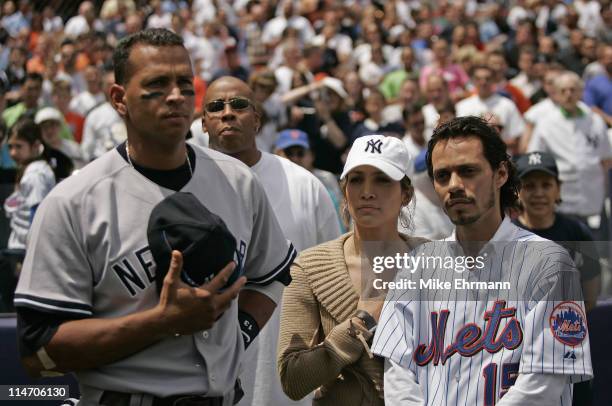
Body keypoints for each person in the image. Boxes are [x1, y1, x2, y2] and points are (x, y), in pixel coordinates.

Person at [14, 28, 296, 405]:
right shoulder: (74, 201)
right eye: (158, 84)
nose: (176, 96)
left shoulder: (237, 181)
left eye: (184, 82)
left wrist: (237, 334)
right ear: (119, 98)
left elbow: (274, 274)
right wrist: (162, 323)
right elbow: (38, 354)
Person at [372, 116, 593, 405]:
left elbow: (544, 383)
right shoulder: (416, 266)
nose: (454, 185)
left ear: (500, 174)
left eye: (468, 171)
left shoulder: (550, 263)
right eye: (442, 176)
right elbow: (398, 376)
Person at [203, 76, 341, 406]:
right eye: (215, 107)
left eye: (239, 105)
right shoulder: (186, 192)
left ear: (258, 118)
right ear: (203, 122)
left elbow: (336, 286)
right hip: (208, 382)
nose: (227, 113)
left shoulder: (304, 187)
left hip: (290, 384)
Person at [278, 134, 426, 405]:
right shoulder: (310, 267)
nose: (367, 191)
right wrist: (362, 322)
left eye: (382, 179)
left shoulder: (435, 261)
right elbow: (292, 379)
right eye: (356, 179)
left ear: (405, 193)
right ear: (344, 190)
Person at [513, 151, 600, 312]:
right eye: (529, 186)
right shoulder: (505, 236)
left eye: (546, 185)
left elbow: (590, 299)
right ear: (517, 191)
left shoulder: (578, 234)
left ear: (558, 188)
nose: (539, 193)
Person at [528, 71, 612, 222]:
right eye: (563, 91)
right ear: (556, 94)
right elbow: (535, 158)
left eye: (573, 90)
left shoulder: (595, 121)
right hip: (562, 202)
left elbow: (606, 159)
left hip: (593, 199)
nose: (568, 94)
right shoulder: (546, 124)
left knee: (596, 244)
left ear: (581, 92)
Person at [274, 128, 344, 233]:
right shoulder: (271, 180)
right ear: (277, 154)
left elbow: (339, 215)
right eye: (289, 153)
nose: (295, 158)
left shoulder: (326, 179)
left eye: (300, 153)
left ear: (311, 155)